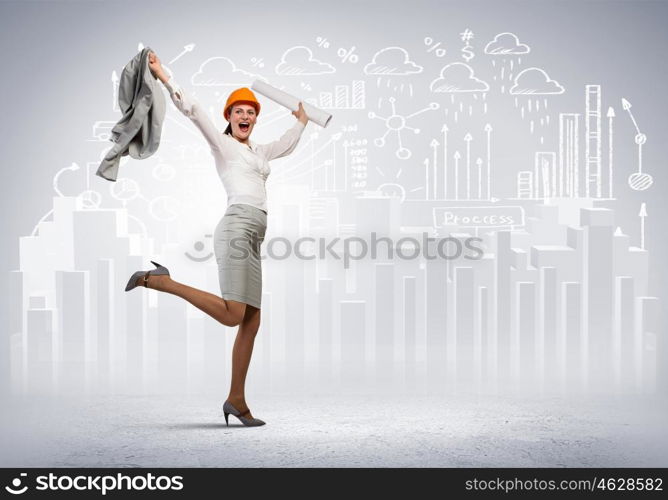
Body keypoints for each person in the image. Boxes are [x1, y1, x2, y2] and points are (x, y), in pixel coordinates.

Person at [125, 51, 308, 427]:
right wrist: (163, 75)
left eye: (251, 112)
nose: (245, 116)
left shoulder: (257, 151)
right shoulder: (223, 146)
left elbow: (286, 145)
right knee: (233, 315)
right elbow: (192, 110)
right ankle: (162, 281)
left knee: (252, 321)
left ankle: (237, 400)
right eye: (238, 111)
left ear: (256, 118)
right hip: (237, 227)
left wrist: (302, 122)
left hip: (254, 235)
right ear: (229, 117)